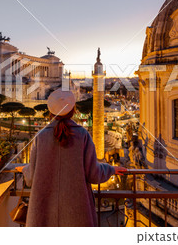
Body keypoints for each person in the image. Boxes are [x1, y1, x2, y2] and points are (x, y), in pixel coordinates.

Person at [16, 88, 127, 226]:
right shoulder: (82, 135)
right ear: (73, 110)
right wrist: (110, 169)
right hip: (76, 213)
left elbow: (31, 177)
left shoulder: (41, 137)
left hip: (43, 213)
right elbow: (94, 174)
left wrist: (24, 169)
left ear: (50, 112)